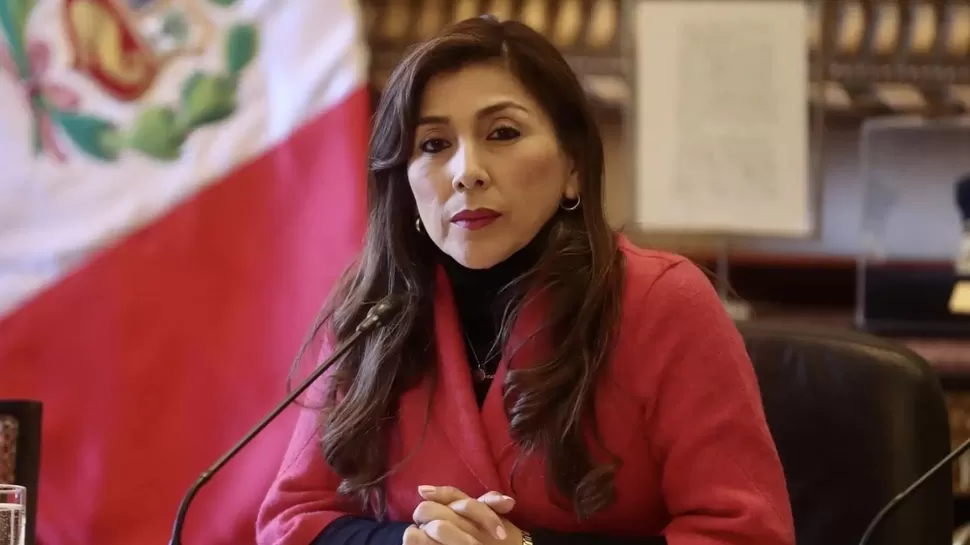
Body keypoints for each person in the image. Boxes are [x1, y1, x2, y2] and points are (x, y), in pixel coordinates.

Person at [256, 15, 795, 545]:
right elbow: (290, 522)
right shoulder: (376, 306)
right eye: (434, 144)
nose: (467, 172)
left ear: (573, 166)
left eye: (503, 133)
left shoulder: (663, 301)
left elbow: (747, 535)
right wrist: (411, 542)